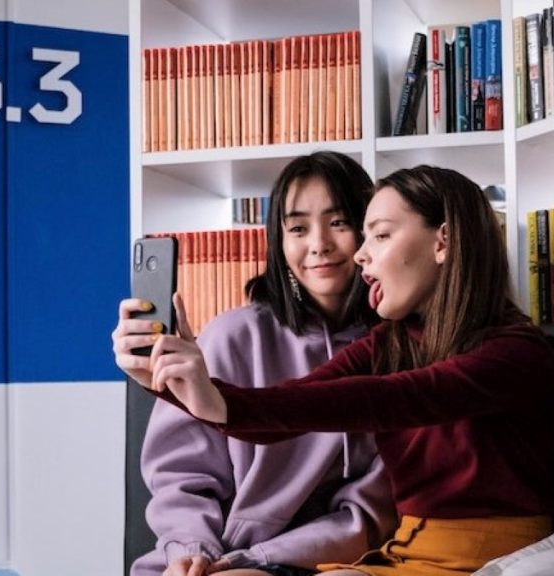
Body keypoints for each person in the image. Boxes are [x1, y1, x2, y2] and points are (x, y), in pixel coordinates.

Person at [119, 165, 554, 576]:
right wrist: (181, 389)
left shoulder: (516, 351)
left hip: (489, 558)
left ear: (442, 242)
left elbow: (385, 399)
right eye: (364, 237)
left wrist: (216, 400)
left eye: (380, 236)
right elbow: (297, 402)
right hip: (401, 553)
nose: (361, 257)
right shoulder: (393, 341)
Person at [114, 151, 397, 576]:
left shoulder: (399, 351)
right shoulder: (231, 335)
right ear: (278, 243)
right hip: (206, 556)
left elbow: (371, 508)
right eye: (298, 228)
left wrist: (255, 560)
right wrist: (192, 550)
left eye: (339, 223)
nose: (318, 244)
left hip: (327, 562)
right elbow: (181, 477)